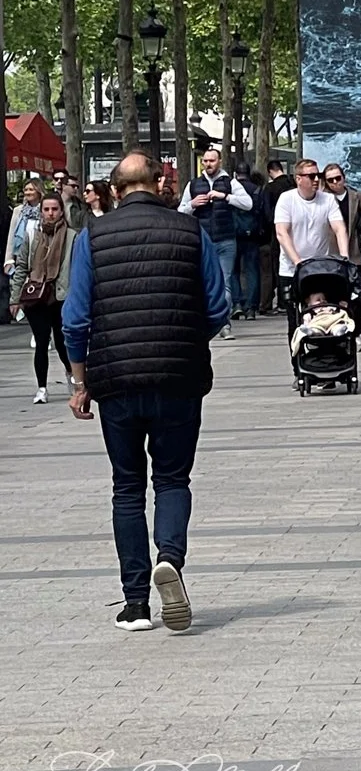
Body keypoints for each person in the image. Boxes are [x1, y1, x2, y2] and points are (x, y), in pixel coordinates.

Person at [62, 152, 228, 633]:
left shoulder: (93, 237)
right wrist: (186, 338)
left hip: (116, 380)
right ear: (161, 184)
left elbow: (75, 320)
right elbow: (218, 306)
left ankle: (135, 603)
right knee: (173, 479)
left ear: (114, 191)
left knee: (127, 487)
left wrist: (79, 381)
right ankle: (170, 559)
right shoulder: (191, 231)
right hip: (179, 375)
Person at [274, 159, 349, 352]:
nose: (317, 180)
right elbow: (282, 232)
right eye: (311, 176)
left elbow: (339, 228)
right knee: (296, 320)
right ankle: (298, 367)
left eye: (318, 176)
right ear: (299, 179)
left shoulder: (327, 199)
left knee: (326, 314)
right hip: (292, 269)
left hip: (320, 269)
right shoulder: (286, 199)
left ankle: (328, 359)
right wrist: (297, 261)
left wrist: (344, 258)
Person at [176, 148, 251, 340]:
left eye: (212, 160)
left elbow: (248, 203)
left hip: (226, 239)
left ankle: (224, 324)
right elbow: (180, 211)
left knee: (225, 283)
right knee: (203, 283)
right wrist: (192, 204)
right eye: (206, 161)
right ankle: (208, 321)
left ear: (220, 161)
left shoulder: (229, 182)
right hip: (202, 240)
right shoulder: (193, 184)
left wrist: (225, 197)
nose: (208, 164)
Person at [10, 191, 78, 401]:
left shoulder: (72, 236)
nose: (50, 214)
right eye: (46, 209)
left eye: (54, 209)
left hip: (60, 296)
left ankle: (71, 374)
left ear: (61, 211)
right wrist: (15, 298)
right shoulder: (33, 235)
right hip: (35, 296)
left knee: (61, 342)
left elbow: (77, 268)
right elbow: (22, 266)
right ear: (41, 212)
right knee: (41, 341)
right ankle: (42, 388)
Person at [321, 163, 361, 335]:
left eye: (338, 178)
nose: (335, 183)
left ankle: (357, 331)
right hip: (331, 253)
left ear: (343, 178)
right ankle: (339, 330)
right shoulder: (323, 198)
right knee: (335, 296)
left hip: (353, 252)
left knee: (359, 296)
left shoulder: (356, 196)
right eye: (330, 180)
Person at [230, 161, 264, 320]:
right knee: (252, 271)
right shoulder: (256, 189)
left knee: (233, 270)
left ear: (236, 173)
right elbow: (263, 212)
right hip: (252, 234)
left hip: (233, 233)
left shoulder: (231, 188)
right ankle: (251, 307)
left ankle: (237, 303)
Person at [259, 161, 294, 314]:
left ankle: (281, 300)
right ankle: (290, 300)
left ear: (270, 172)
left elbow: (267, 214)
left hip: (276, 233)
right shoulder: (293, 185)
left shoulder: (270, 188)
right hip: (295, 230)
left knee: (279, 266)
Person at [4, 180, 43, 276]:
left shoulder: (45, 209)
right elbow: (11, 236)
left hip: (39, 256)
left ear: (38, 191)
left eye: (31, 189)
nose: (28, 192)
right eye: (26, 190)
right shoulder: (18, 211)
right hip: (20, 257)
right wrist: (8, 260)